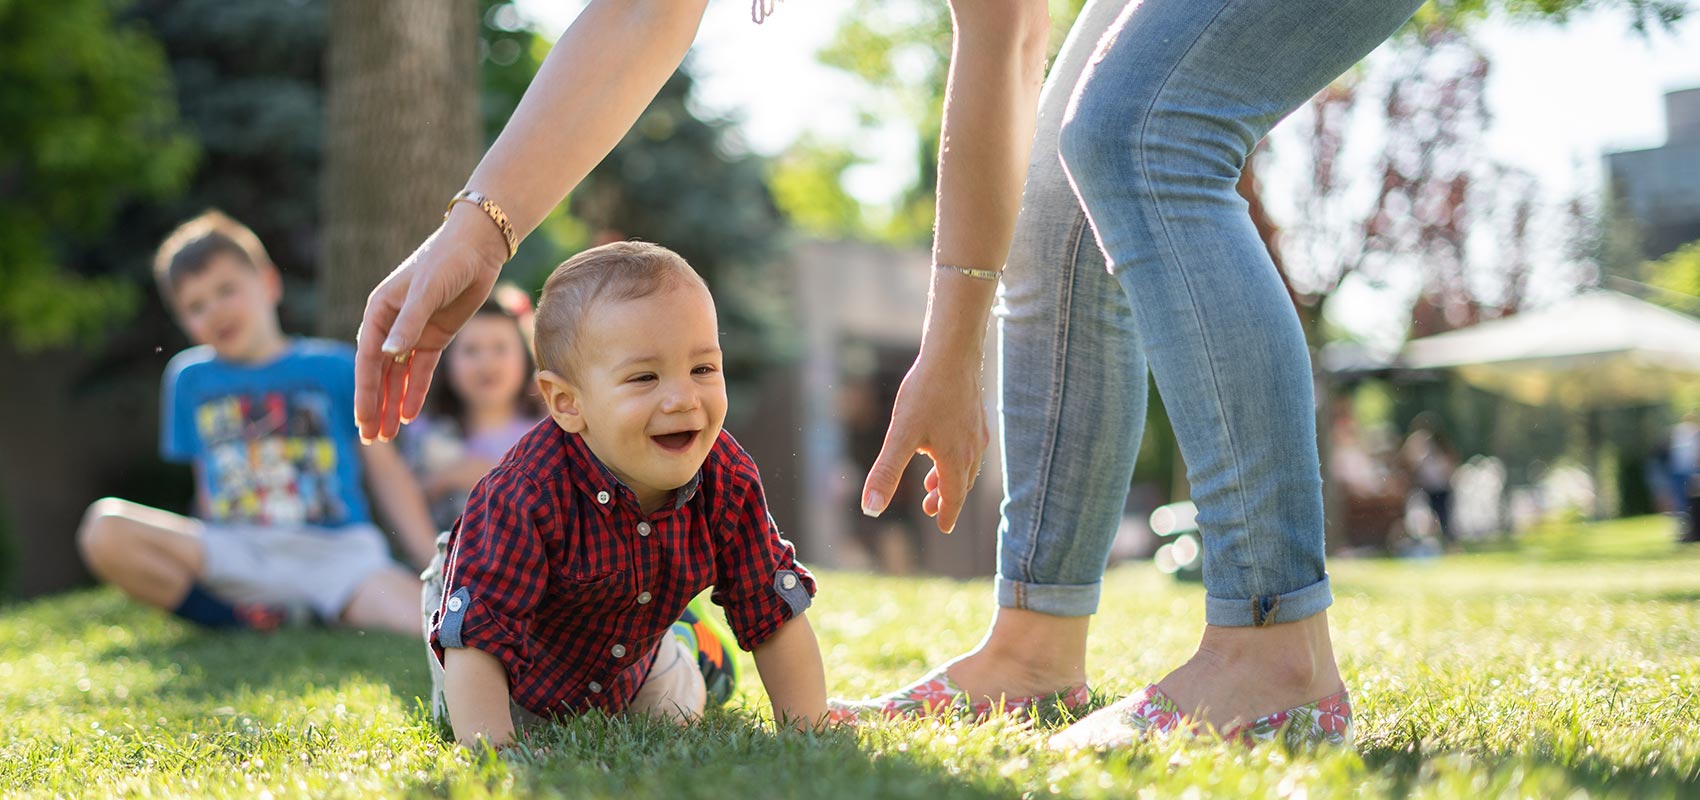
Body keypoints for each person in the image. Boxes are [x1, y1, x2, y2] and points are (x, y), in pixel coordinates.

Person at [360, 0, 1423, 748]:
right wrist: (482, 231)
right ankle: (1034, 650)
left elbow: (1002, 34)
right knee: (1065, 185)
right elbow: (644, 11)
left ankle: (1271, 649)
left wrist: (951, 346)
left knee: (1138, 132)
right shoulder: (530, 493)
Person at [427, 242, 826, 748]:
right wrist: (492, 755)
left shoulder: (727, 477)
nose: (683, 399)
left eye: (702, 369)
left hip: (631, 661)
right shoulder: (522, 493)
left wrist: (810, 728)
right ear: (568, 404)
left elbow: (773, 610)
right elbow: (478, 637)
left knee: (676, 713)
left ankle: (692, 645)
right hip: (507, 669)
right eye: (644, 377)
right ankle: (686, 636)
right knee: (475, 706)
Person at [78, 211, 435, 636]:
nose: (214, 311)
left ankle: (309, 609)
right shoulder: (188, 379)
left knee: (430, 622)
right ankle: (241, 620)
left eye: (226, 290)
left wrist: (432, 561)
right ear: (183, 322)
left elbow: (387, 473)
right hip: (238, 551)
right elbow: (206, 485)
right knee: (104, 528)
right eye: (195, 306)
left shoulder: (336, 367)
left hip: (337, 556)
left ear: (268, 283)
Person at [399, 286, 545, 532]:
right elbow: (403, 498)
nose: (486, 363)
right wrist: (446, 478)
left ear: (525, 355)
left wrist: (487, 474)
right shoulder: (424, 430)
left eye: (500, 348)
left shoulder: (547, 429)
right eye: (471, 350)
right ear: (446, 362)